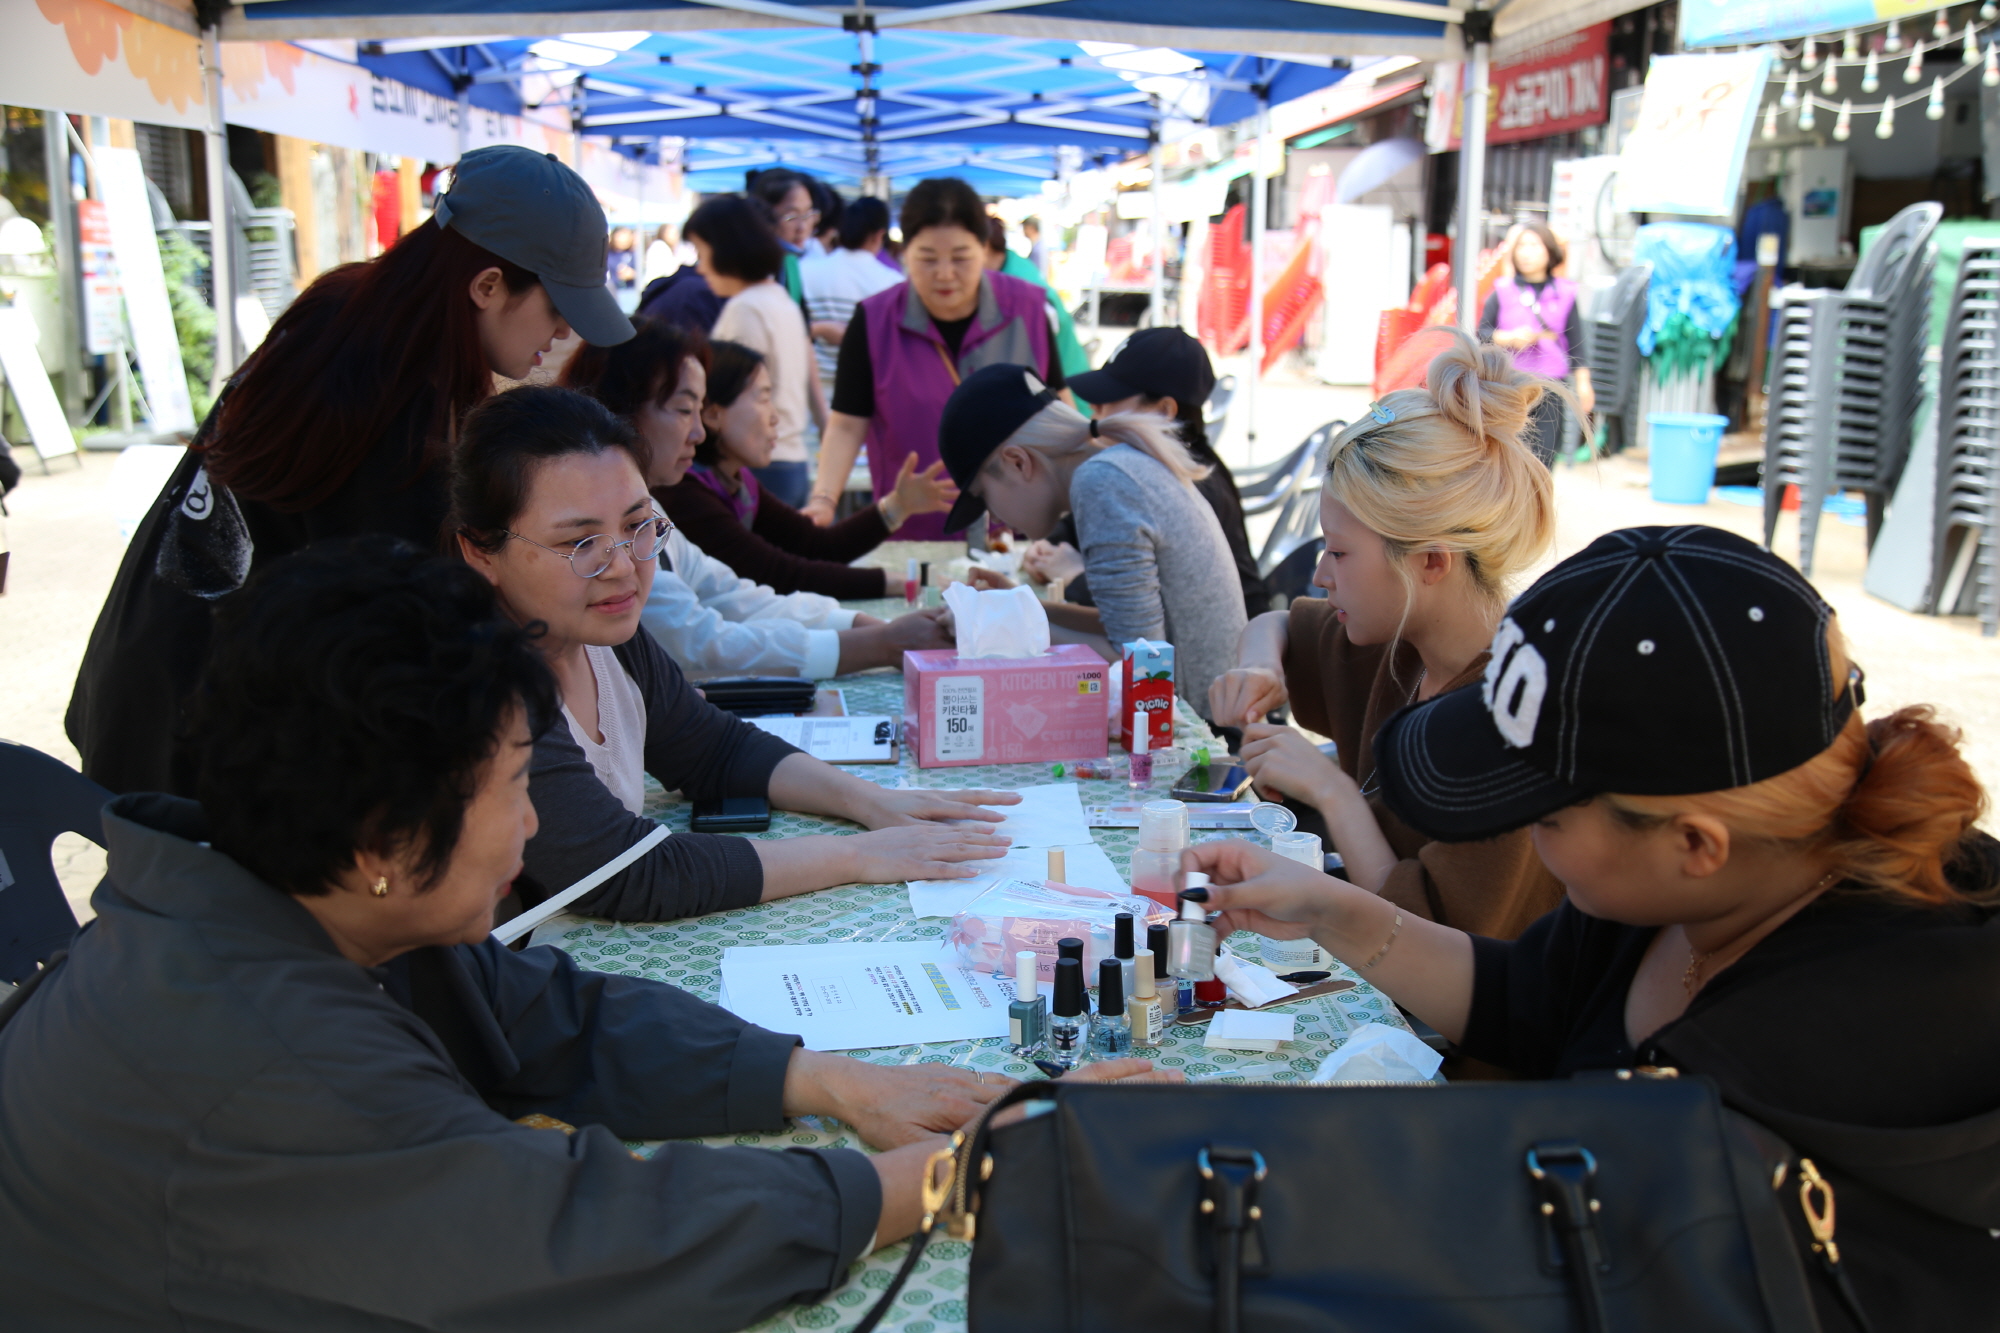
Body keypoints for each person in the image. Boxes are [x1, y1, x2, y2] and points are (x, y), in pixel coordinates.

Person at [0, 535, 1170, 1329]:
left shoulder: (276, 898)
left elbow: (543, 1009)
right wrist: (946, 1181)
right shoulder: (262, 1055)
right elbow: (580, 1238)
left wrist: (824, 1076)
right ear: (382, 838)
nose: (528, 832)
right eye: (514, 786)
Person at [1187, 524, 2000, 1331]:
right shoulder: (1695, 896)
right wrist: (1333, 909)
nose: (1524, 842)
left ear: (1694, 843)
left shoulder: (1826, 1057)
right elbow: (1531, 997)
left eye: (1539, 816)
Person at [66, 144, 632, 798]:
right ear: (487, 286)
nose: (564, 333)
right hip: (195, 730)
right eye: (558, 307)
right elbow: (404, 619)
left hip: (155, 691)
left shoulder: (355, 311)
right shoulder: (381, 387)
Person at [452, 384, 1010, 925]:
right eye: (580, 544)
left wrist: (872, 803)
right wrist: (858, 855)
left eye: (636, 526)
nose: (623, 565)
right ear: (480, 552)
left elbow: (713, 748)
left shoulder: (601, 637)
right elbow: (628, 875)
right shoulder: (488, 687)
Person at [1205, 332, 1565, 940]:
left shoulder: (1512, 724)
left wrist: (1331, 792)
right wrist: (1263, 668)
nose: (1320, 574)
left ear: (1430, 560)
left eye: (1339, 552)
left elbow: (1426, 944)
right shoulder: (1398, 642)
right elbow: (1278, 625)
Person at [562, 318, 951, 676]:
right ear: (622, 411)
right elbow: (701, 641)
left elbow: (737, 594)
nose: (697, 431)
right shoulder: (668, 504)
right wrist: (877, 642)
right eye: (684, 410)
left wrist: (859, 626)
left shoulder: (678, 501)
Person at [940, 363, 1247, 720]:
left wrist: (997, 624)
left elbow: (1138, 664)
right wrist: (1021, 607)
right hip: (1199, 712)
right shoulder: (1115, 467)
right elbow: (1127, 630)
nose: (994, 516)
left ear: (1018, 462)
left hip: (1207, 733)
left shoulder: (1102, 484)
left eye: (984, 496)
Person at [805, 177, 1067, 541]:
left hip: (1021, 535)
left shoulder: (1029, 309)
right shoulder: (873, 320)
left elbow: (1060, 406)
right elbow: (848, 424)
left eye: (961, 258)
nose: (945, 274)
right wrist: (824, 500)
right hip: (914, 532)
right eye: (927, 259)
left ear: (985, 249)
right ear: (904, 252)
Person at [661, 341, 957, 600]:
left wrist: (898, 505)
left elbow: (817, 546)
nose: (775, 417)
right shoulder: (686, 493)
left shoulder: (737, 482)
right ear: (713, 414)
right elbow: (779, 574)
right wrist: (903, 582)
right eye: (763, 398)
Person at [1061, 327, 1268, 619]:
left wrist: (1073, 576)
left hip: (1234, 653)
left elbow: (1156, 608)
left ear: (1163, 410)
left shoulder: (1188, 483)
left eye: (1109, 396)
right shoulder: (1147, 471)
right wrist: (1050, 546)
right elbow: (1069, 530)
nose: (1093, 407)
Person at [685, 193, 827, 511]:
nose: (701, 267)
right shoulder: (778, 298)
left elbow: (732, 396)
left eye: (702, 253)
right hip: (788, 458)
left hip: (762, 463)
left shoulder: (746, 309)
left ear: (725, 251)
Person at [1477, 222, 1594, 464]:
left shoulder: (1566, 292)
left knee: (1545, 455)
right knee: (1507, 454)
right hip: (1510, 386)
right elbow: (1481, 334)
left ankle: (1538, 500)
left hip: (1550, 387)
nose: (1526, 252)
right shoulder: (1503, 290)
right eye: (1521, 246)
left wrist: (1584, 384)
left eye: (1533, 245)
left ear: (1550, 251)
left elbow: (1576, 343)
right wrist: (1507, 337)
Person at [800, 195, 899, 385]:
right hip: (862, 392)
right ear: (879, 235)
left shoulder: (806, 270)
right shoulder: (892, 283)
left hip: (811, 389)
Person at [984, 215, 1088, 379]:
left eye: (959, 255)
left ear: (984, 246)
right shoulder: (1012, 265)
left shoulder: (1016, 288)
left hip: (1064, 390)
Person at [747, 168, 814, 304]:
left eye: (808, 214)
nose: (803, 227)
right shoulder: (751, 269)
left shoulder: (791, 261)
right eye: (791, 217)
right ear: (764, 216)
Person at [606, 225, 639, 292]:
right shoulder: (607, 255)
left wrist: (633, 274)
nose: (623, 239)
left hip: (631, 291)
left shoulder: (634, 255)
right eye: (620, 236)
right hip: (613, 291)